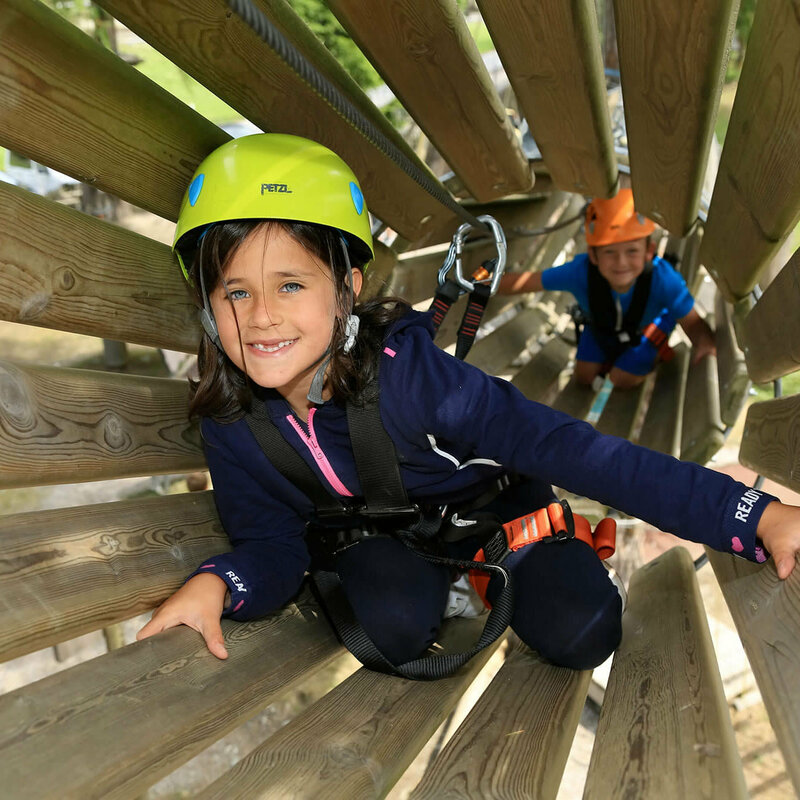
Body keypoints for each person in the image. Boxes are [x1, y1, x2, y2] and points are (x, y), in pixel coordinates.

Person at [137, 134, 800, 675]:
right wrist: (224, 581)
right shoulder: (233, 420)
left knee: (584, 631)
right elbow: (268, 539)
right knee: (389, 628)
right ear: (207, 303)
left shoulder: (414, 382)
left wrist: (753, 516)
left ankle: (508, 560)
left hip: (493, 509)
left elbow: (581, 453)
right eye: (236, 293)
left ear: (346, 289)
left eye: (289, 284)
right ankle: (455, 584)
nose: (262, 318)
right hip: (384, 532)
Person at [497, 190, 716, 388]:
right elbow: (526, 282)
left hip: (646, 329)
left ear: (649, 251)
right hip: (601, 327)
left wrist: (705, 344)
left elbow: (694, 323)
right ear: (593, 255)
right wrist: (481, 284)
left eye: (632, 251)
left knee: (622, 379)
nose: (621, 263)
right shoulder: (580, 271)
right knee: (583, 377)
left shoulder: (664, 279)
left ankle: (641, 361)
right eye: (610, 252)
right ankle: (611, 362)